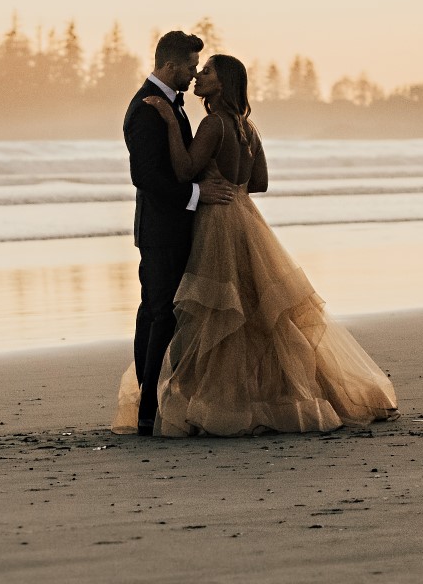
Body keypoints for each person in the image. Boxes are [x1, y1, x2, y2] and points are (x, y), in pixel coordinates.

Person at [113, 53, 398, 436]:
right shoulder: (248, 127)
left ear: (223, 84)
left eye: (208, 71)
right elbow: (259, 182)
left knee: (215, 316)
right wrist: (234, 183)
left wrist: (168, 124)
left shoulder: (213, 123)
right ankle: (264, 397)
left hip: (217, 222)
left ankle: (214, 403)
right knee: (253, 315)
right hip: (246, 219)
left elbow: (183, 170)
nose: (200, 75)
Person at [121, 31, 236, 436]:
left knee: (163, 315)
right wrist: (196, 194)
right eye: (189, 67)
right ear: (170, 66)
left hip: (175, 227)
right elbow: (146, 177)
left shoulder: (172, 106)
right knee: (157, 315)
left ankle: (158, 403)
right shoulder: (145, 109)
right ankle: (148, 410)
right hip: (160, 232)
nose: (193, 74)